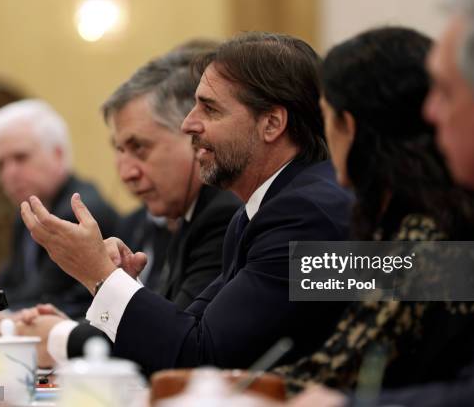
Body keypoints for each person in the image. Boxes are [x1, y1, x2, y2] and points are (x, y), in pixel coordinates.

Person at [19, 32, 352, 374]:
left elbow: (203, 357)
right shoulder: (258, 211)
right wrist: (117, 283)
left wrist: (100, 276)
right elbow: (191, 327)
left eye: (209, 108)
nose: (188, 123)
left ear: (271, 123)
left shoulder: (304, 214)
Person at [289, 0, 474, 405]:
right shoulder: (442, 217)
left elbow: (336, 369)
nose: (194, 127)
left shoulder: (433, 235)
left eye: (444, 91)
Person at [17, 42, 242, 365]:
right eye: (120, 150)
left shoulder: (223, 214)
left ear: (194, 137)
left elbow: (186, 348)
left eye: (140, 148)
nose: (126, 173)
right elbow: (169, 323)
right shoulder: (178, 213)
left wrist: (98, 275)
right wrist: (94, 310)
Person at [0, 100, 119, 321]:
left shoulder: (79, 212)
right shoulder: (27, 214)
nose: (9, 173)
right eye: (0, 164)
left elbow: (43, 296)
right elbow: (9, 284)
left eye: (20, 158)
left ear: (57, 154)